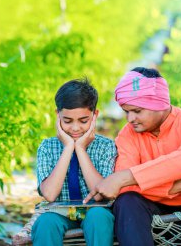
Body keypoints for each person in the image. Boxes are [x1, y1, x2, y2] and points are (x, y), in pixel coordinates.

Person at [84, 67, 181, 245]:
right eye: (126, 111)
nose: (130, 118)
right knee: (126, 201)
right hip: (152, 216)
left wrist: (128, 177)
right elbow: (125, 189)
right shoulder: (127, 135)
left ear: (159, 103)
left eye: (137, 111)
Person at [31, 78, 117, 246]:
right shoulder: (47, 147)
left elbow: (100, 194)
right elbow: (49, 194)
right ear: (58, 116)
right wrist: (68, 147)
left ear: (95, 115)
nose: (75, 128)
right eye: (67, 121)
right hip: (60, 214)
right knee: (45, 223)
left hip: (96, 212)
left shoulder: (106, 146)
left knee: (98, 217)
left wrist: (81, 149)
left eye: (83, 121)